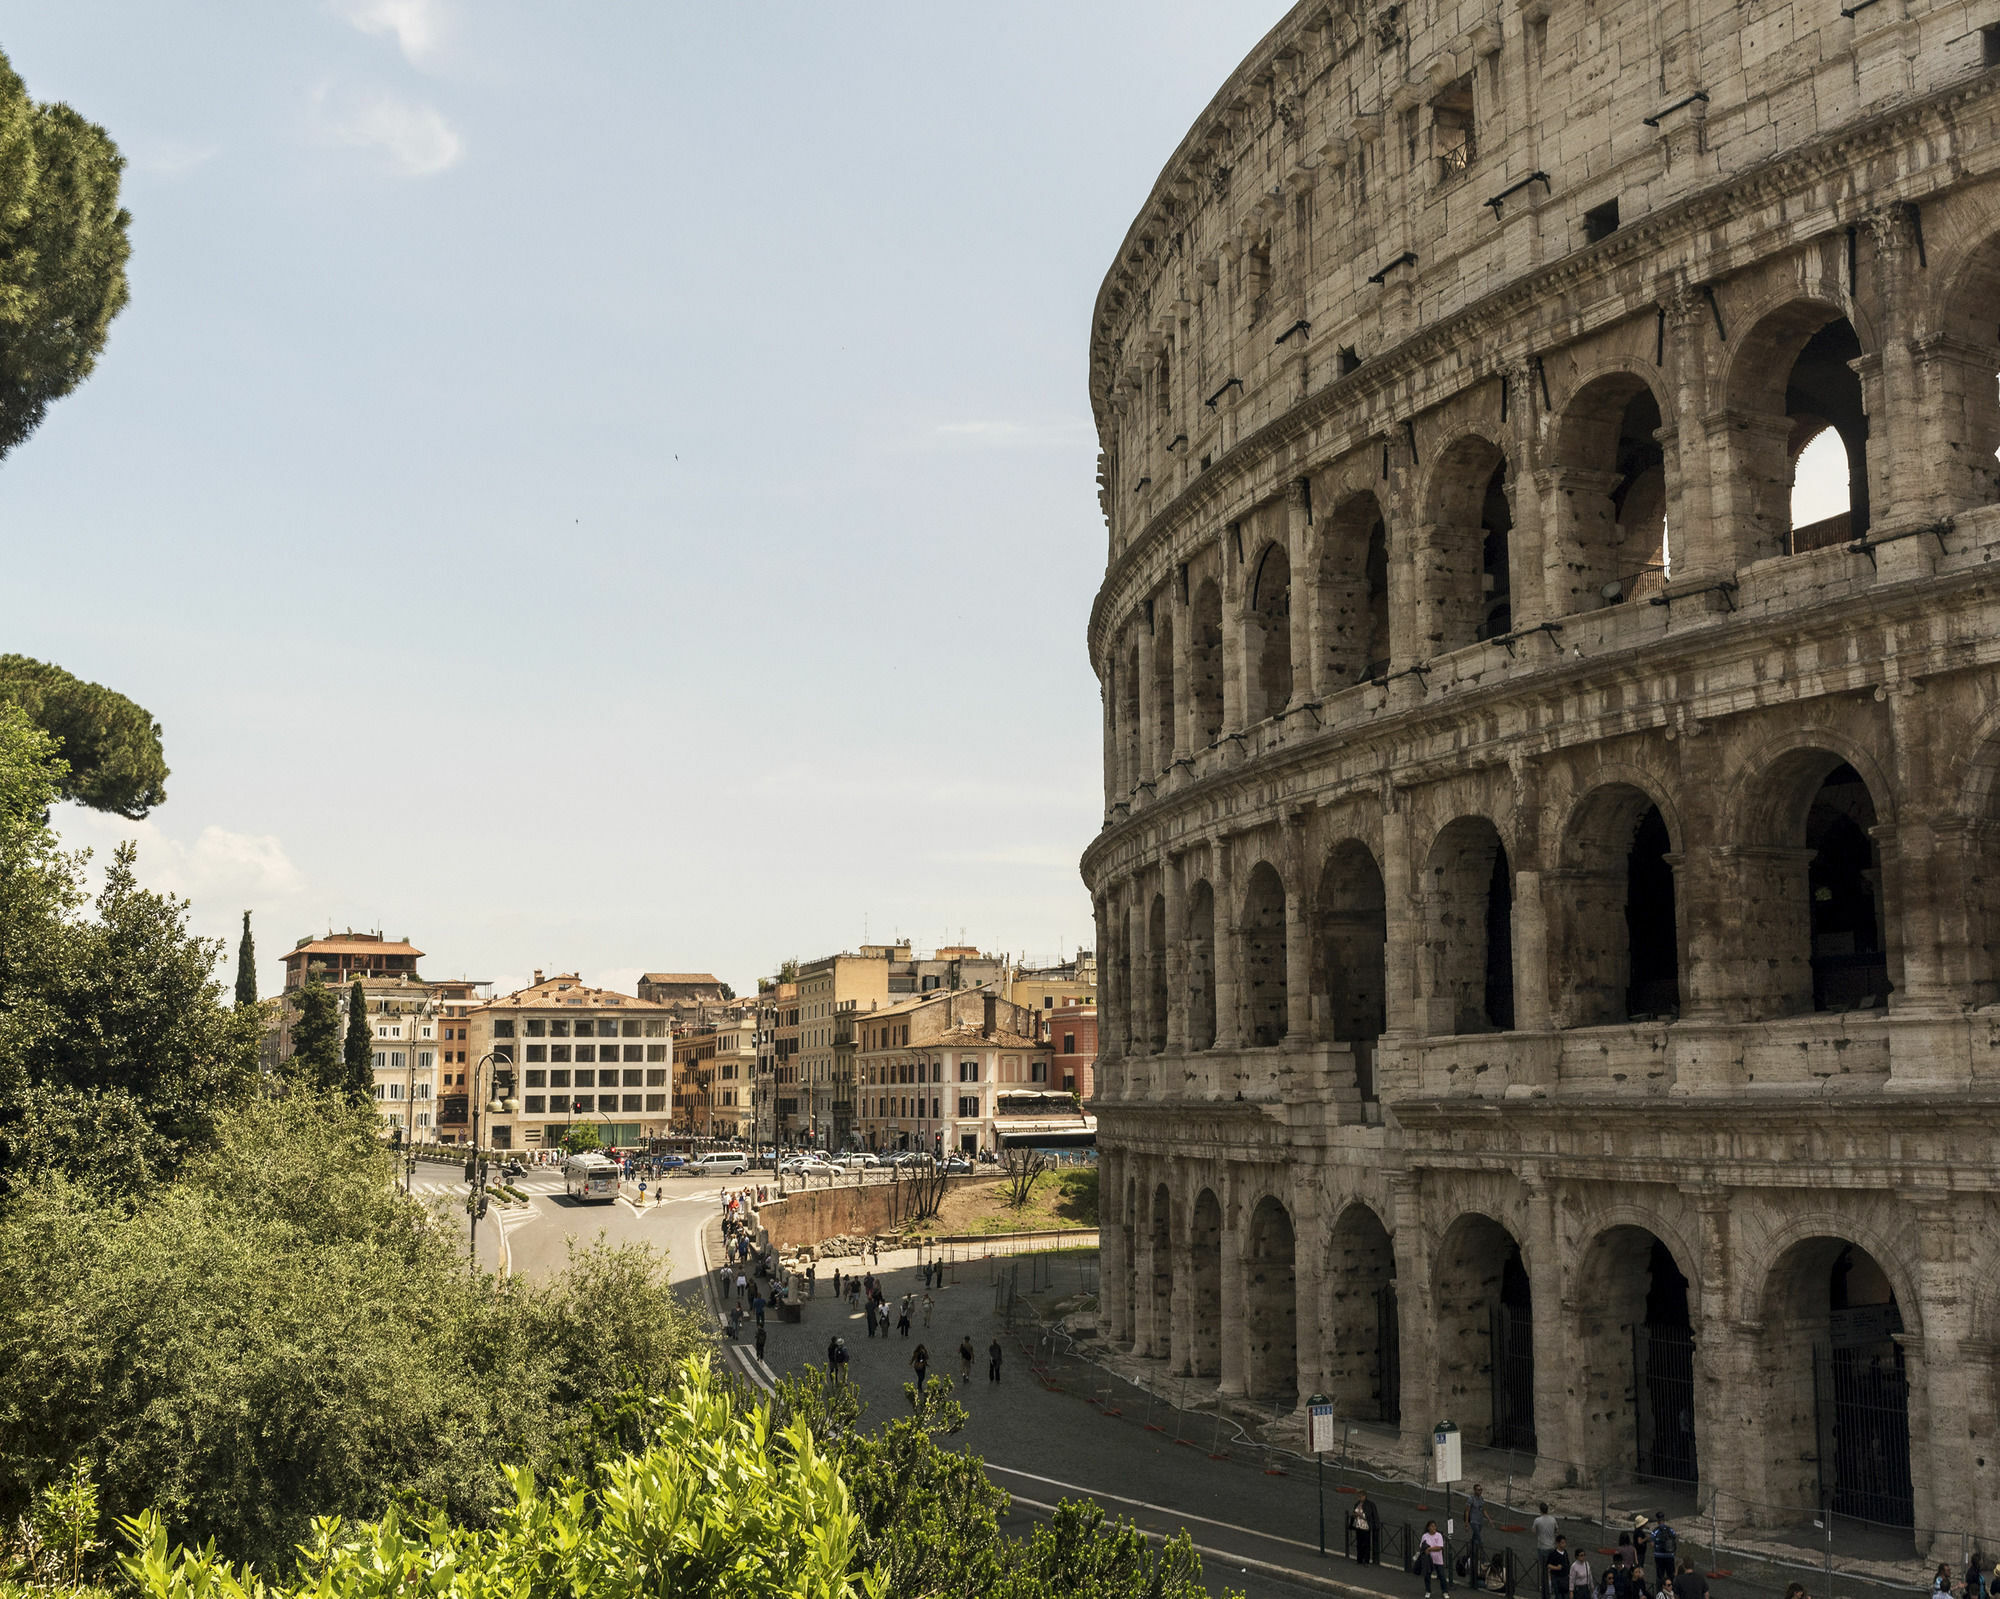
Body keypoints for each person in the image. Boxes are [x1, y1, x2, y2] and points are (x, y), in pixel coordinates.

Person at [1533, 1508, 1560, 1599]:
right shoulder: (1553, 1519)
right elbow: (1557, 1530)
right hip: (1551, 1547)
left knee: (1544, 1569)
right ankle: (1552, 1587)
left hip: (1542, 1547)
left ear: (1540, 1510)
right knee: (1552, 1568)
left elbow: (1533, 1531)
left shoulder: (1537, 1520)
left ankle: (1545, 1588)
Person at [1419, 1519, 1449, 1596]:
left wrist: (1429, 1549)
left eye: (1435, 1526)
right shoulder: (1425, 1536)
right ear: (1428, 1527)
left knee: (1442, 1576)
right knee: (1427, 1576)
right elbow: (1422, 1546)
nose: (1434, 1528)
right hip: (1428, 1560)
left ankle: (1445, 1592)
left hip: (1438, 1560)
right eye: (1432, 1526)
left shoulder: (1439, 1535)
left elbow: (1439, 1547)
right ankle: (1428, 1591)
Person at [1347, 1493, 1379, 1565]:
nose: (1359, 1498)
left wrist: (1359, 1515)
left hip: (1365, 1527)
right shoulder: (1358, 1503)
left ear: (1364, 1496)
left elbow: (1368, 1516)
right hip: (1358, 1526)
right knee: (1359, 1544)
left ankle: (1366, 1560)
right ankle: (1359, 1560)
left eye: (1360, 1496)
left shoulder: (1369, 1505)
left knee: (1366, 1544)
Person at [1466, 1484, 1486, 1589]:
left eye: (1481, 1489)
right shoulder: (1471, 1499)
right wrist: (1466, 1523)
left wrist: (1489, 1519)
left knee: (1474, 1540)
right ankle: (1482, 1560)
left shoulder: (1481, 1499)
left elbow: (1483, 1510)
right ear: (1474, 1490)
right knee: (1480, 1540)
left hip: (1479, 1522)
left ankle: (1469, 1556)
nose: (1480, 1491)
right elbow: (1467, 1511)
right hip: (1473, 1521)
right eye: (1478, 1490)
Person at [1650, 1515, 1676, 1590]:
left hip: (1659, 1556)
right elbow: (1674, 1538)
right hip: (1669, 1556)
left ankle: (1659, 1592)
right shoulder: (1670, 1530)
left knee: (1660, 1575)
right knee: (1671, 1575)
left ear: (1658, 1522)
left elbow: (1652, 1544)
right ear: (1664, 1521)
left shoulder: (1655, 1531)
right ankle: (1671, 1591)